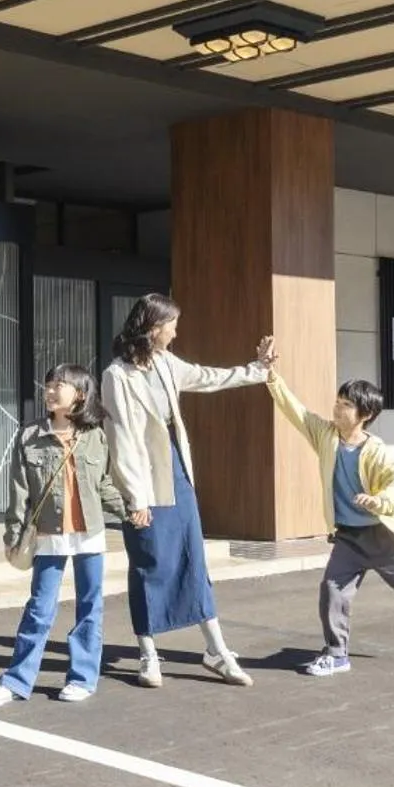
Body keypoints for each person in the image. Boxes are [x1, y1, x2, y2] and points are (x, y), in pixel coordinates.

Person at [101, 294, 275, 689]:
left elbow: (208, 377)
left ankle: (217, 650)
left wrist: (258, 369)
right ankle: (148, 654)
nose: (177, 331)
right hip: (142, 482)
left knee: (192, 558)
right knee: (149, 563)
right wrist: (134, 498)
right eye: (172, 324)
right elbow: (122, 439)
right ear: (153, 327)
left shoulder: (166, 363)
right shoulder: (117, 376)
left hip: (176, 472)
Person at [267, 372, 394, 677]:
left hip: (384, 537)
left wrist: (382, 501)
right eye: (337, 402)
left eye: (346, 405)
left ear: (366, 415)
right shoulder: (325, 435)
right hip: (349, 538)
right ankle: (336, 655)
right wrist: (271, 376)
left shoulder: (376, 451)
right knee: (332, 590)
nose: (337, 409)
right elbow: (295, 410)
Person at [0, 364, 127, 708]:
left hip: (89, 533)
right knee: (39, 609)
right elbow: (18, 492)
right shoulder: (30, 435)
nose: (49, 390)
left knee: (90, 608)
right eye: (48, 384)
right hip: (48, 533)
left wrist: (128, 510)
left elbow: (102, 483)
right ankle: (16, 681)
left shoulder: (94, 435)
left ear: (80, 393)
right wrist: (13, 535)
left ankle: (82, 678)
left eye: (58, 385)